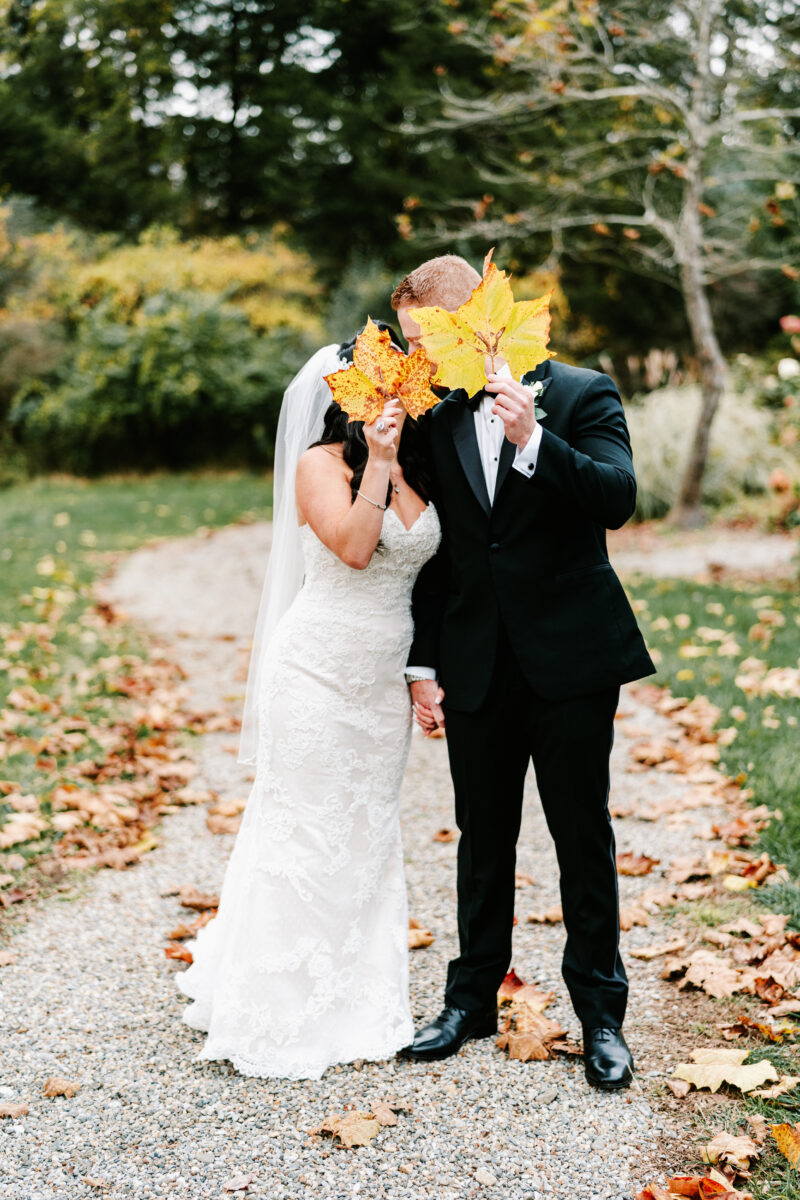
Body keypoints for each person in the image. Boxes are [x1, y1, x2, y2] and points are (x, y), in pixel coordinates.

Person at [393, 255, 655, 1090]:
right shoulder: (438, 418)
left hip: (572, 659)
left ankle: (602, 1016)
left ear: (470, 318)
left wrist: (533, 440)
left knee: (582, 837)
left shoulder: (581, 393)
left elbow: (617, 497)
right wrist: (423, 662)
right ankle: (470, 1001)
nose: (416, 355)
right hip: (476, 664)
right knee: (482, 838)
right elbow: (439, 556)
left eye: (421, 338)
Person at [175, 323, 441, 1080]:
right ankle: (278, 1006)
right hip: (316, 674)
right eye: (378, 392)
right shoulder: (319, 465)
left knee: (366, 832)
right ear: (347, 398)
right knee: (305, 832)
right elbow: (355, 548)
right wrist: (378, 463)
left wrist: (422, 671)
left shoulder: (420, 464)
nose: (394, 404)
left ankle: (358, 999)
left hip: (379, 685)